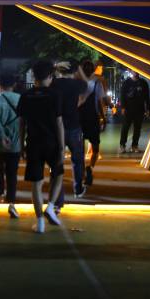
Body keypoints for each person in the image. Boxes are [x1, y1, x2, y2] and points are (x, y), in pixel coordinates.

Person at [18, 60, 65, 233]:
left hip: (33, 143)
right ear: (50, 76)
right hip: (52, 143)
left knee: (36, 184)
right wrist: (62, 147)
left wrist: (21, 145)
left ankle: (39, 223)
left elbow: (21, 123)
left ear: (34, 76)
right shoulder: (55, 95)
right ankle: (51, 207)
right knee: (58, 174)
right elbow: (59, 123)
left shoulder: (26, 96)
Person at [52, 59, 89, 211]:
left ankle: (57, 199)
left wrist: (55, 68)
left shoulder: (54, 83)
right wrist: (79, 68)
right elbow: (87, 84)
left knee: (57, 162)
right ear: (73, 71)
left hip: (56, 127)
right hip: (74, 126)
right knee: (77, 160)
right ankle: (78, 188)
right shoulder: (76, 84)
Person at [0, 72, 22, 218]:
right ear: (14, 84)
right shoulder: (20, 99)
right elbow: (23, 121)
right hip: (15, 142)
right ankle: (11, 202)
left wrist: (2, 136)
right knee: (12, 172)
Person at [78, 59, 108, 188]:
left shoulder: (78, 83)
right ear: (93, 70)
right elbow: (100, 103)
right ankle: (90, 167)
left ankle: (82, 173)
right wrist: (103, 118)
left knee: (80, 149)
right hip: (93, 119)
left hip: (79, 119)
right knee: (95, 149)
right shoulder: (97, 83)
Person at [119, 70, 150, 154]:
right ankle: (122, 145)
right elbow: (122, 95)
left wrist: (147, 109)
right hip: (128, 109)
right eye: (133, 70)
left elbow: (147, 97)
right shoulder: (126, 83)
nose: (135, 72)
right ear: (131, 71)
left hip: (139, 109)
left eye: (137, 70)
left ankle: (134, 146)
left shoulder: (143, 83)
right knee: (125, 127)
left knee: (137, 128)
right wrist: (123, 107)